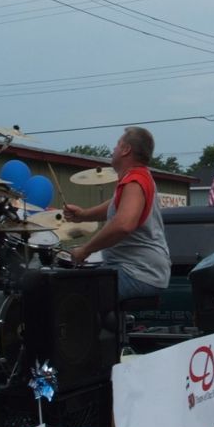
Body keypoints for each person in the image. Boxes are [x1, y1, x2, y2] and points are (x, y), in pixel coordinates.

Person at [63, 127, 171, 300]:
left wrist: (85, 250)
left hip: (138, 273)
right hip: (137, 270)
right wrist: (83, 215)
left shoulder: (135, 181)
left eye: (117, 145)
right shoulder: (136, 178)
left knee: (71, 296)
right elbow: (115, 206)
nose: (113, 149)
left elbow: (123, 225)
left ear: (126, 149)